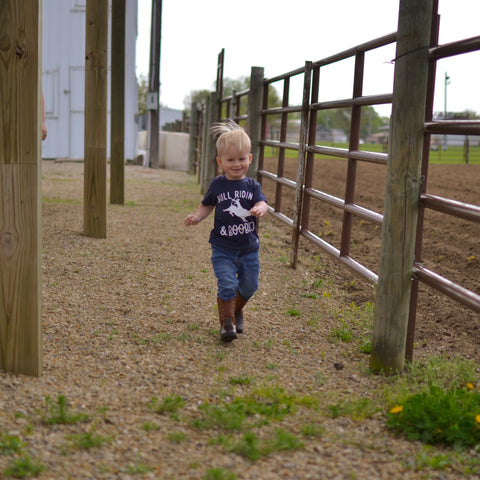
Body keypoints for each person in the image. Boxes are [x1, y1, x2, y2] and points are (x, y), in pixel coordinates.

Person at [184, 121, 268, 342]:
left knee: (250, 285)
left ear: (249, 159)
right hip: (223, 247)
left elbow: (262, 202)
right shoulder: (217, 185)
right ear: (220, 162)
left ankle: (237, 309)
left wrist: (260, 208)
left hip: (248, 248)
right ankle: (227, 323)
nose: (236, 164)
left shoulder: (252, 186)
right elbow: (207, 205)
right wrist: (197, 217)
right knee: (227, 283)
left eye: (241, 159)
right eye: (230, 160)